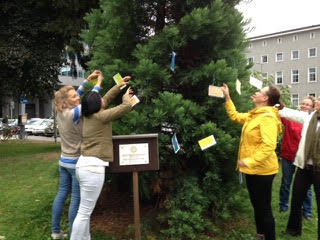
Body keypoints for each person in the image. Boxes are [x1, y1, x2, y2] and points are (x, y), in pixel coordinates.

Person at [70, 72, 132, 240]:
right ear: (97, 106)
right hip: (93, 169)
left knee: (85, 211)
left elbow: (104, 99)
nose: (103, 101)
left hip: (83, 166)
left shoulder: (88, 114)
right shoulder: (101, 117)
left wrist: (119, 86)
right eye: (100, 101)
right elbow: (125, 108)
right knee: (84, 212)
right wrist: (126, 96)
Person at [221, 84, 282, 240]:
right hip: (252, 170)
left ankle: (269, 237)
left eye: (259, 92)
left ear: (265, 98)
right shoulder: (255, 115)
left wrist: (250, 161)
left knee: (264, 208)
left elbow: (269, 146)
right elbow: (235, 116)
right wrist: (227, 97)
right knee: (257, 206)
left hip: (263, 171)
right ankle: (261, 235)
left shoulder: (267, 118)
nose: (256, 92)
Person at [51, 70, 102, 239]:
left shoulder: (60, 110)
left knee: (61, 194)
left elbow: (79, 95)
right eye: (73, 97)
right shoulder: (73, 114)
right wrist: (98, 84)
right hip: (75, 162)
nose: (77, 97)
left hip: (63, 161)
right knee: (75, 200)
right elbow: (90, 102)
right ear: (65, 101)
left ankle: (55, 231)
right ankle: (75, 234)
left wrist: (87, 80)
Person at [279, 96, 320, 238]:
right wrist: (276, 104)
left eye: (319, 101)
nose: (317, 102)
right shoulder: (310, 117)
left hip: (318, 169)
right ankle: (293, 230)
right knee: (296, 199)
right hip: (304, 167)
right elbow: (289, 113)